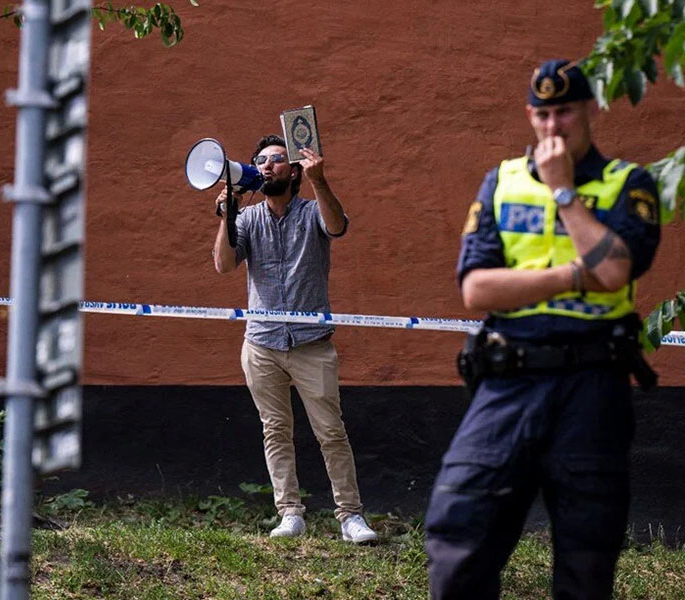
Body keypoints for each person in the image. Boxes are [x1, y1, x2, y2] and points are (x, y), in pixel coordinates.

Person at [424, 60, 661, 598]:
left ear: (590, 110)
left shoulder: (629, 184)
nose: (554, 127)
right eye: (544, 114)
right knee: (457, 530)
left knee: (586, 552)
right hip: (508, 382)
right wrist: (576, 274)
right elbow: (476, 290)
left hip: (593, 386)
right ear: (531, 116)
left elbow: (618, 272)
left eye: (566, 112)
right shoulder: (501, 181)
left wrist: (563, 194)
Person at [212, 134, 377, 543]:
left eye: (277, 160)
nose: (267, 166)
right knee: (275, 431)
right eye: (261, 161)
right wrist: (225, 217)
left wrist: (321, 181)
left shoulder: (310, 212)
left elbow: (337, 226)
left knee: (331, 432)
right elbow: (223, 266)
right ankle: (289, 513)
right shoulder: (248, 219)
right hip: (262, 343)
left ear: (295, 171)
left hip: (311, 343)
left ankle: (350, 516)